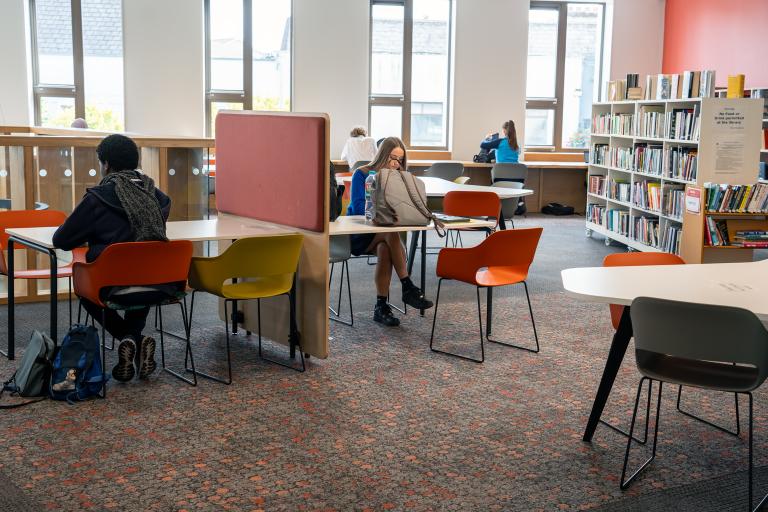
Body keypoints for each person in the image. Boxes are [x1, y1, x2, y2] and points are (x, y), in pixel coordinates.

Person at [52, 134, 171, 383]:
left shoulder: (98, 198)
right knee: (141, 266)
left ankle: (131, 339)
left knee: (85, 289)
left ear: (105, 164)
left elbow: (61, 240)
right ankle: (135, 340)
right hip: (158, 285)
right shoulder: (157, 197)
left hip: (111, 286)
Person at [347, 137, 433, 326]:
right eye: (392, 157)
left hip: (382, 234)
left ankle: (381, 306)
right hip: (359, 233)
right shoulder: (362, 174)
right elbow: (360, 207)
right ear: (383, 154)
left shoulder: (400, 178)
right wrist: (385, 209)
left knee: (386, 248)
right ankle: (407, 285)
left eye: (400, 160)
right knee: (390, 234)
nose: (395, 163)